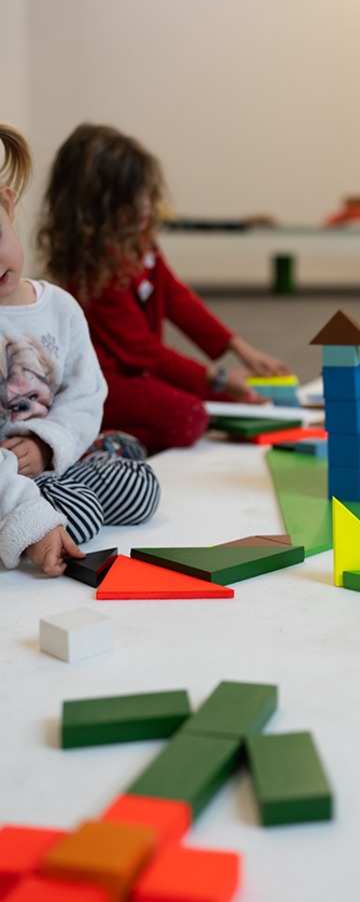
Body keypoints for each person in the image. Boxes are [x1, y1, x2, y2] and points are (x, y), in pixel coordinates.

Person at [38, 124, 290, 455]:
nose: (146, 206)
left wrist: (239, 347)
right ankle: (90, 441)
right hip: (104, 381)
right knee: (189, 417)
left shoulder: (138, 238)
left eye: (145, 194)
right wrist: (216, 377)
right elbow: (143, 351)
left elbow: (175, 296)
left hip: (139, 369)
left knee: (235, 394)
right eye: (133, 199)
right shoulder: (92, 265)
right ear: (101, 207)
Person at [0, 124, 160, 575]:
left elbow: (85, 396)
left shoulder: (61, 308)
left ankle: (85, 471)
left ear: (8, 207)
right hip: (7, 482)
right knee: (80, 515)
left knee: (142, 491)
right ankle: (49, 510)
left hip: (55, 457)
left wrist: (49, 446)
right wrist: (31, 523)